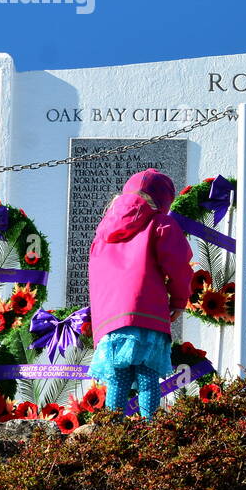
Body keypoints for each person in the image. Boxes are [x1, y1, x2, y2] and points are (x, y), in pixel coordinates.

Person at [87, 168, 193, 419]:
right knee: (147, 378)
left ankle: (112, 431)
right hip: (147, 311)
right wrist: (179, 300)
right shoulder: (160, 223)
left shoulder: (104, 229)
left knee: (118, 380)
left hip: (111, 318)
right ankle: (150, 430)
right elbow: (178, 266)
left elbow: (95, 273)